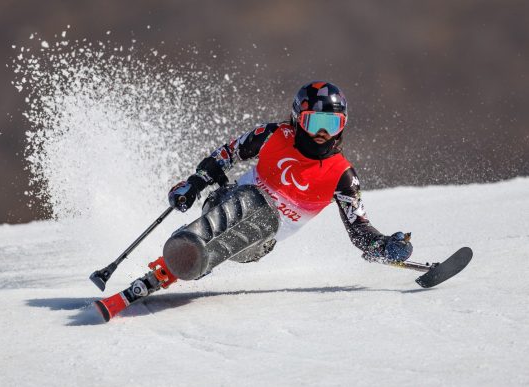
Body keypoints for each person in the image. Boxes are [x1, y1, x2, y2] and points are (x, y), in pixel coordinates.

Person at [95, 81, 413, 321]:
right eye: (314, 122)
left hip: (257, 242)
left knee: (264, 219)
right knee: (250, 199)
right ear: (297, 118)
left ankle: (197, 257)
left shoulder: (343, 176)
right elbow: (228, 153)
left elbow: (360, 229)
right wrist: (193, 184)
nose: (322, 134)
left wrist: (384, 247)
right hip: (225, 203)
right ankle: (193, 250)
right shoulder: (274, 135)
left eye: (332, 125)